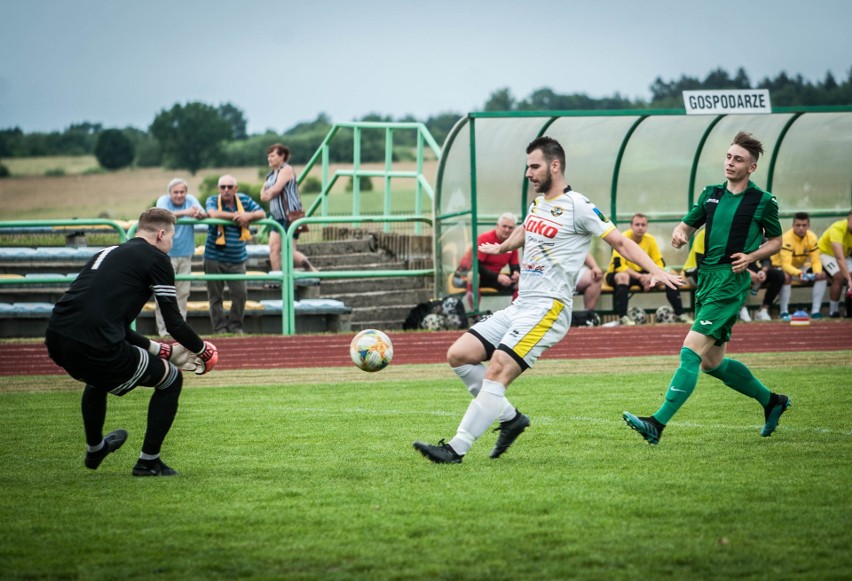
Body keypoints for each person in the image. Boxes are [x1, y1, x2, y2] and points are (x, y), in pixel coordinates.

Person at [412, 136, 682, 463]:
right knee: (459, 355)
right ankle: (510, 419)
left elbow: (621, 244)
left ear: (555, 165)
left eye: (534, 166)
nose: (529, 173)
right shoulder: (538, 204)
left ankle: (456, 448)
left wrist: (658, 270)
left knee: (497, 369)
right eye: (527, 166)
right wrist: (501, 247)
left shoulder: (579, 206)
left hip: (548, 309)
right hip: (522, 305)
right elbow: (526, 229)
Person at [623, 131, 789, 446]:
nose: (730, 163)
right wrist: (679, 233)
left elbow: (778, 241)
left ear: (751, 167)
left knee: (690, 353)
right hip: (706, 279)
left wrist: (752, 257)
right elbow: (687, 224)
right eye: (728, 157)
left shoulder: (762, 201)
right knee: (712, 363)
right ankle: (772, 402)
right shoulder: (710, 193)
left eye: (738, 159)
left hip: (729, 281)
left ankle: (656, 424)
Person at [45, 208, 218, 477]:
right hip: (96, 342)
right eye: (171, 238)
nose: (170, 245)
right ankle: (148, 463)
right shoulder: (157, 259)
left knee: (98, 378)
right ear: (161, 235)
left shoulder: (107, 252)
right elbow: (173, 322)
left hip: (56, 336)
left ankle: (95, 449)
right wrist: (202, 349)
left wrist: (162, 350)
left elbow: (115, 326)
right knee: (171, 379)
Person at [605, 213, 693, 325]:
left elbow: (660, 262)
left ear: (646, 226)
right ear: (631, 226)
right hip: (623, 275)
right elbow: (619, 266)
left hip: (645, 276)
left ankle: (680, 314)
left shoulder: (650, 239)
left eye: (643, 225)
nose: (640, 227)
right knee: (622, 276)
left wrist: (651, 276)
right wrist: (641, 277)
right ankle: (623, 317)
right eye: (637, 224)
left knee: (670, 274)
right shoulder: (623, 238)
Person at [204, 175, 266, 334]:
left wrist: (249, 216)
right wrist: (238, 216)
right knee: (215, 296)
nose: (226, 190)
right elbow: (212, 214)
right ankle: (220, 329)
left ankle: (235, 327)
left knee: (240, 294)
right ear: (218, 189)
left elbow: (262, 213)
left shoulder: (244, 200)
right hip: (213, 256)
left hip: (237, 258)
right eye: (223, 187)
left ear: (235, 189)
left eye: (229, 187)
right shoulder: (212, 199)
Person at [154, 178, 207, 336]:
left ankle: (180, 330)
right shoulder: (163, 200)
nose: (179, 195)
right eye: (176, 192)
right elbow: (162, 215)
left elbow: (203, 213)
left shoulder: (190, 200)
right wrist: (187, 213)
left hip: (185, 254)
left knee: (183, 293)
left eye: (182, 192)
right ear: (169, 193)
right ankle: (164, 331)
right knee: (163, 294)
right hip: (165, 255)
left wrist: (198, 214)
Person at [259, 143, 317, 286]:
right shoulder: (270, 175)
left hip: (291, 216)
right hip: (277, 217)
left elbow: (275, 190)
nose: (269, 159)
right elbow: (263, 195)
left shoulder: (287, 170)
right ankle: (278, 279)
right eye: (268, 156)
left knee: (289, 251)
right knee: (273, 248)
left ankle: (314, 272)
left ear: (282, 156)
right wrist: (268, 193)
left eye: (272, 156)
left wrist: (268, 193)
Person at [455, 212, 521, 303]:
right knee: (474, 276)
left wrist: (516, 273)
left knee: (521, 281)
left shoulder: (511, 243)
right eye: (504, 226)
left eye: (510, 228)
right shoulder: (485, 239)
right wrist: (497, 276)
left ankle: (515, 313)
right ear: (497, 226)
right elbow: (476, 266)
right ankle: (474, 313)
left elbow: (515, 266)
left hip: (491, 278)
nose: (507, 230)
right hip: (465, 277)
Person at [773, 212, 826, 321]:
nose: (801, 228)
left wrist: (817, 272)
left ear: (808, 226)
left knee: (822, 276)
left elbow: (816, 260)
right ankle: (784, 312)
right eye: (798, 225)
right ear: (793, 226)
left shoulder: (812, 237)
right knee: (786, 277)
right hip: (780, 267)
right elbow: (786, 265)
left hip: (799, 267)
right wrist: (800, 274)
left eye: (804, 225)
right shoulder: (787, 238)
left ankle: (815, 311)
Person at [815, 209, 852, 318]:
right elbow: (839, 258)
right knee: (839, 276)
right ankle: (833, 310)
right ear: (848, 219)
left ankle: (848, 310)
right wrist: (849, 280)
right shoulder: (838, 228)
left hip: (845, 255)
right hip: (826, 254)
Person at [740, 253, 784, 322]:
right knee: (737, 276)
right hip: (741, 271)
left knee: (778, 275)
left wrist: (763, 271)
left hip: (758, 272)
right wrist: (748, 272)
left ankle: (763, 310)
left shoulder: (760, 242)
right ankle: (742, 309)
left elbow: (766, 258)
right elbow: (731, 261)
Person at [574, 254, 603, 325]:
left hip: (570, 271)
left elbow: (583, 251)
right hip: (547, 272)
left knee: (595, 277)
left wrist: (594, 266)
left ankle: (588, 317)